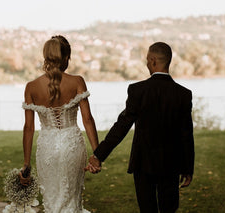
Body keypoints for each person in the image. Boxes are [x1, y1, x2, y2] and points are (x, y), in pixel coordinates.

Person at [86, 42, 195, 213]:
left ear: (152, 61)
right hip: (171, 163)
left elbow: (122, 126)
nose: (146, 64)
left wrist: (99, 154)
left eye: (147, 60)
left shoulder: (138, 90)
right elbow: (186, 134)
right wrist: (188, 168)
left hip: (143, 163)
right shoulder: (183, 94)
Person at [19, 35, 99, 213]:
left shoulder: (31, 87)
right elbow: (88, 119)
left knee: (51, 200)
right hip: (72, 145)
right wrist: (97, 153)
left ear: (45, 57)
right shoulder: (77, 81)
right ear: (66, 58)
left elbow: (29, 128)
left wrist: (26, 164)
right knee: (72, 200)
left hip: (46, 148)